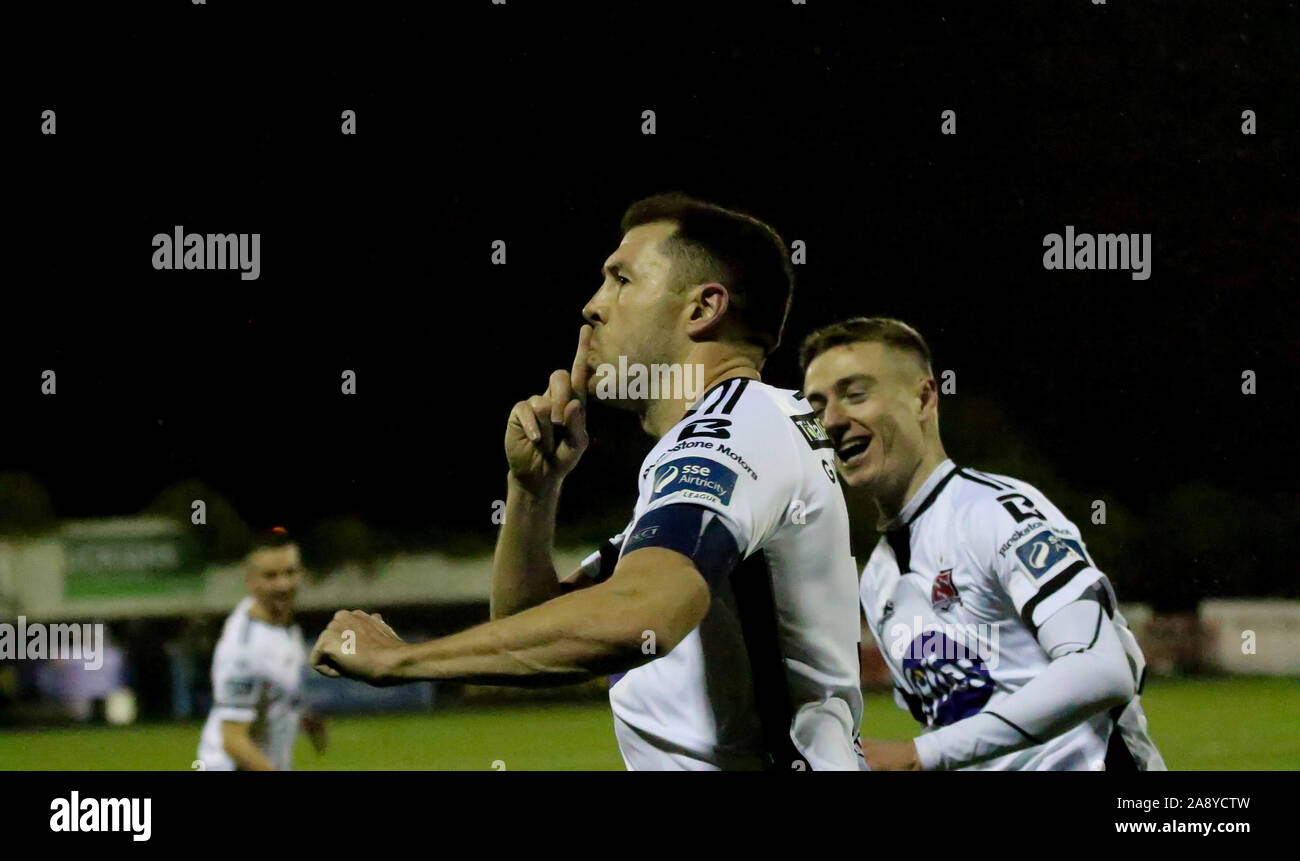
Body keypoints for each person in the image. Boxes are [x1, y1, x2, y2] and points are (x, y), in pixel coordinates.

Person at [311, 193, 864, 770]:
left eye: (620, 280)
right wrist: (533, 491)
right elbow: (531, 629)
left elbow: (642, 614)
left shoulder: (733, 429)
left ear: (703, 309)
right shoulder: (731, 438)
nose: (592, 306)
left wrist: (399, 661)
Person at [800, 316, 1165, 770]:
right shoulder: (876, 580)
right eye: (817, 408)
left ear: (924, 397)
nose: (833, 420)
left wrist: (919, 756)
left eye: (856, 394)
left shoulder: (996, 513)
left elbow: (1103, 668)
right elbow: (961, 731)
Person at [197, 528, 327, 770]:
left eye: (290, 572)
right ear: (250, 581)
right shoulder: (244, 649)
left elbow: (273, 691)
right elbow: (233, 740)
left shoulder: (282, 624)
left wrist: (302, 716)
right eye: (270, 576)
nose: (283, 584)